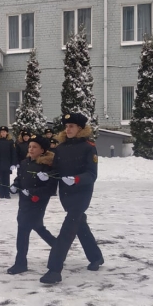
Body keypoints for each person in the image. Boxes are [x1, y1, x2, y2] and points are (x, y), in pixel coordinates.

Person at [38, 113, 103, 284]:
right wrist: (48, 175)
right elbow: (57, 170)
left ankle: (54, 269)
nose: (68, 129)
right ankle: (96, 257)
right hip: (65, 194)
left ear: (80, 128)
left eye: (72, 126)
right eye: (66, 126)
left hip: (81, 194)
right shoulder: (61, 148)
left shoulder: (89, 147)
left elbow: (91, 174)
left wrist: (76, 179)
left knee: (67, 231)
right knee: (79, 224)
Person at [7, 135, 57, 275]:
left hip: (37, 202)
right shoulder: (24, 163)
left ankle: (20, 263)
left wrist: (33, 192)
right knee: (37, 226)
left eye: (34, 147)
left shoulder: (47, 165)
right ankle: (58, 246)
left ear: (42, 150)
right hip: (24, 201)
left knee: (23, 229)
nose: (31, 149)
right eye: (30, 146)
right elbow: (19, 178)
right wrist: (15, 186)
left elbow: (51, 188)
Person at [0, 126, 17, 199]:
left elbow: (13, 153)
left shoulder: (10, 141)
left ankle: (6, 193)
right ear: (0, 133)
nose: (3, 133)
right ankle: (1, 193)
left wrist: (13, 163)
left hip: (7, 163)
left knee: (6, 178)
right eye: (1, 132)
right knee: (0, 178)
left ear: (7, 133)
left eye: (4, 132)